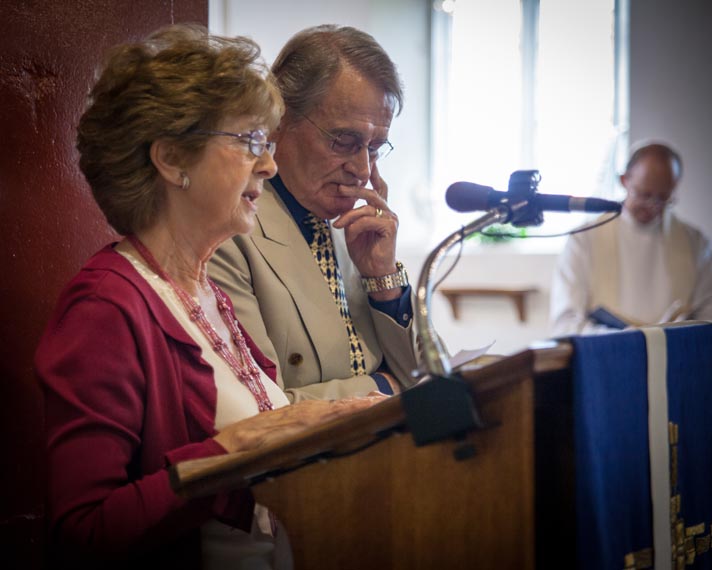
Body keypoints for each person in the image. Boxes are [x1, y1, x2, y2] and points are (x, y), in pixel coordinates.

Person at [35, 24, 384, 569]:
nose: (268, 164)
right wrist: (239, 447)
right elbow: (85, 531)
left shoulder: (204, 292)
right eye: (249, 142)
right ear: (172, 158)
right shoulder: (106, 306)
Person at [209, 25, 419, 402]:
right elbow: (262, 408)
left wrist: (384, 279)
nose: (362, 170)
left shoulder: (359, 228)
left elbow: (430, 379)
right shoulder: (228, 229)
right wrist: (383, 386)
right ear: (279, 121)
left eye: (374, 147)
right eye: (344, 141)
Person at [550, 141, 712, 336]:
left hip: (674, 353)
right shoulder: (584, 239)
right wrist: (621, 339)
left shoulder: (695, 243)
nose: (652, 205)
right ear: (624, 180)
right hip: (608, 350)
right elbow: (565, 322)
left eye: (663, 198)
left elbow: (707, 314)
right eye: (644, 194)